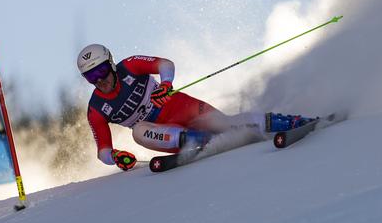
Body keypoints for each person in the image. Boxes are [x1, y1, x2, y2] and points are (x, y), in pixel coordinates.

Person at [77, 44, 313, 171]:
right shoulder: (97, 108)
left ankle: (291, 122)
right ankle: (199, 141)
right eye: (90, 77)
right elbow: (103, 152)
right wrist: (116, 156)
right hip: (163, 133)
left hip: (179, 106)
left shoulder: (129, 66)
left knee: (226, 124)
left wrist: (166, 84)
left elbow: (165, 64)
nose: (99, 80)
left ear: (111, 64)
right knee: (138, 132)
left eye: (101, 71)